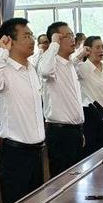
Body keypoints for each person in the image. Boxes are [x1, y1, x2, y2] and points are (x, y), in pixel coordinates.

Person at [0, 17, 46, 203]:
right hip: (15, 154)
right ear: (10, 40)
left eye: (31, 35)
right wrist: (2, 51)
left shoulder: (31, 68)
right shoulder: (3, 69)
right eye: (26, 36)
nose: (32, 40)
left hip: (36, 152)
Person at [38, 21, 85, 177]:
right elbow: (45, 71)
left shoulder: (70, 64)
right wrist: (53, 44)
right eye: (68, 36)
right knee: (62, 180)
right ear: (56, 39)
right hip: (60, 133)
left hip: (75, 131)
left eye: (73, 35)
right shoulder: (50, 62)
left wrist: (79, 129)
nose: (73, 39)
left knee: (76, 179)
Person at [77, 35, 103, 156]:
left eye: (102, 47)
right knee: (91, 151)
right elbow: (68, 67)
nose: (101, 50)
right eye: (97, 47)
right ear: (89, 50)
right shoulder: (82, 68)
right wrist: (81, 54)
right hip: (90, 115)